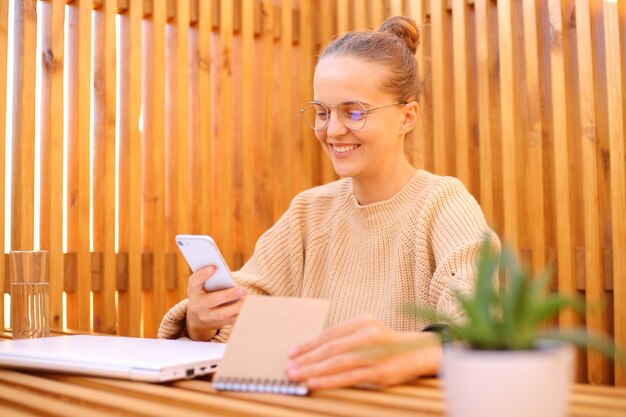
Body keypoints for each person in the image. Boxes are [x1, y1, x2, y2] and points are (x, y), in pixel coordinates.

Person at [158, 16, 499, 390]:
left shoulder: (443, 205)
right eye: (322, 111)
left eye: (353, 111)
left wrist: (408, 351)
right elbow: (244, 312)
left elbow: (478, 325)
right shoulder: (309, 212)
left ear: (407, 116)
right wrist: (201, 321)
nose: (332, 130)